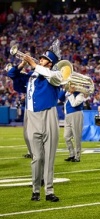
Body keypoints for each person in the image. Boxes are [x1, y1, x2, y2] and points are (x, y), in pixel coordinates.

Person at [7, 39, 62, 202]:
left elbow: (53, 77)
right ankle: (35, 190)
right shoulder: (31, 76)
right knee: (37, 157)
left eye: (44, 59)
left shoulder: (55, 75)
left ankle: (49, 191)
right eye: (40, 58)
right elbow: (12, 75)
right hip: (32, 117)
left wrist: (33, 64)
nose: (40, 60)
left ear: (50, 63)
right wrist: (23, 64)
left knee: (49, 157)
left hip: (49, 116)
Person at [58, 83, 85, 162]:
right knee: (66, 136)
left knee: (77, 136)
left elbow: (74, 104)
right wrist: (64, 89)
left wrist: (70, 94)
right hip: (67, 115)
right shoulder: (67, 92)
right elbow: (59, 98)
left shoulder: (80, 94)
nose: (70, 86)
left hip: (76, 114)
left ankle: (77, 156)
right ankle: (71, 154)